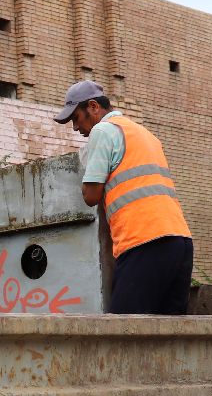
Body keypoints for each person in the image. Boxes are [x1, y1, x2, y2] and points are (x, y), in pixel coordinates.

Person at [55, 79, 193, 315]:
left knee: (123, 334)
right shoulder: (144, 134)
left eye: (76, 118)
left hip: (145, 243)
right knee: (168, 339)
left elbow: (91, 195)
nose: (76, 128)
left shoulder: (103, 131)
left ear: (93, 107)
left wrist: (86, 163)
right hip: (181, 243)